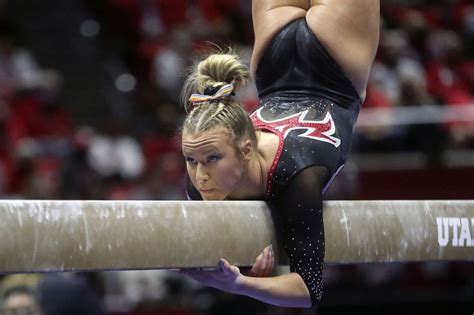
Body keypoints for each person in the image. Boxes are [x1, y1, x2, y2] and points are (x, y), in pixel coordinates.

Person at [179, 0, 380, 308]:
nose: (199, 175)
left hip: (283, 62)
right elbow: (308, 288)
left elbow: (306, 290)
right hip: (333, 63)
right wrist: (243, 276)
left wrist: (242, 281)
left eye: (211, 159)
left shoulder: (298, 174)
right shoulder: (297, 177)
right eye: (190, 160)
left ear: (246, 149)